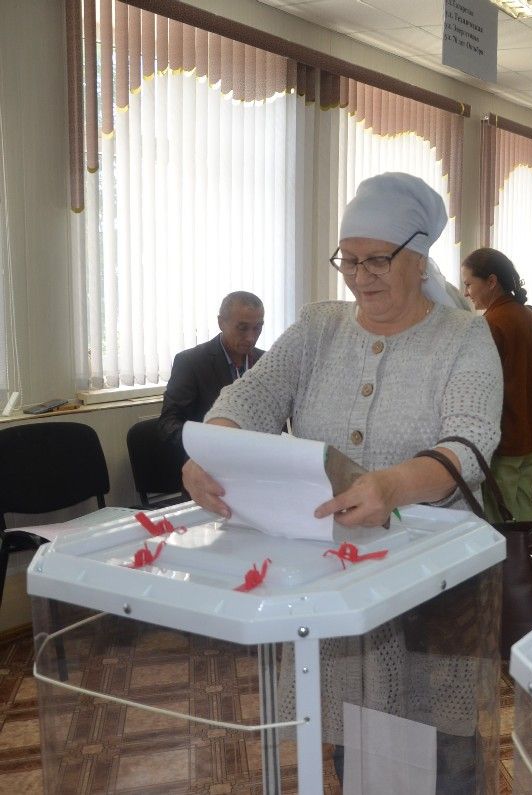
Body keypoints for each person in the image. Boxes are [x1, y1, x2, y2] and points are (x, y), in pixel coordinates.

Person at [182, 172, 503, 788]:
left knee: (443, 758)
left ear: (418, 257)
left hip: (437, 588)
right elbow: (253, 394)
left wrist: (391, 487)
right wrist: (212, 448)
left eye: (377, 260)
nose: (360, 276)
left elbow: (469, 442)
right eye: (348, 261)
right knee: (357, 750)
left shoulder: (464, 337)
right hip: (339, 580)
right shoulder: (317, 328)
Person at [461, 248, 532, 527]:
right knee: (523, 507)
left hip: (508, 438)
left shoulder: (493, 323)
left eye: (469, 284)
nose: (467, 293)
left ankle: (515, 570)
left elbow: (484, 389)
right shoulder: (525, 315)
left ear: (491, 281)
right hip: (531, 435)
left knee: (502, 518)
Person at [157, 291, 265, 468]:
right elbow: (168, 423)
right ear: (221, 322)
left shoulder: (266, 363)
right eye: (242, 327)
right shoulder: (191, 362)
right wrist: (205, 444)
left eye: (258, 327)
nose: (251, 337)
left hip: (260, 467)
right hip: (210, 468)